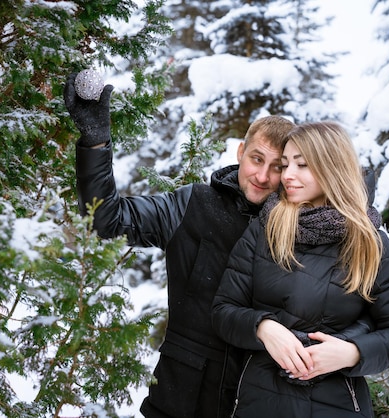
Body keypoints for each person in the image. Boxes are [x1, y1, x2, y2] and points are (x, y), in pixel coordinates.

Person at [64, 71, 298, 418]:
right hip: (180, 400)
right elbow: (106, 218)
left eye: (277, 167)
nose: (263, 177)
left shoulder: (297, 228)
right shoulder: (192, 206)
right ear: (241, 152)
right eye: (257, 159)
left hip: (258, 403)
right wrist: (96, 142)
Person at [212, 121, 389, 417]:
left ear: (332, 169)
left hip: (338, 405)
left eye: (302, 165)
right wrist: (262, 327)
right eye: (286, 165)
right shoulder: (266, 227)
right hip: (260, 403)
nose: (288, 176)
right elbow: (224, 310)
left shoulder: (369, 241)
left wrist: (351, 352)